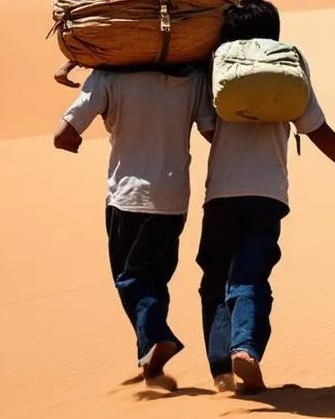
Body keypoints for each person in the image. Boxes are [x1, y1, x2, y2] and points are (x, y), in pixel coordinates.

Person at [199, 0, 335, 394]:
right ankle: (246, 347)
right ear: (275, 32)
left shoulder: (217, 69)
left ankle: (222, 372)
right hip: (269, 195)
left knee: (214, 280)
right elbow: (319, 131)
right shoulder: (286, 68)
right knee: (251, 276)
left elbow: (207, 128)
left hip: (221, 194)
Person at [53, 60, 216, 383]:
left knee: (130, 279)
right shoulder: (193, 78)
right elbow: (211, 130)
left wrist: (78, 140)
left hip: (126, 198)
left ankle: (156, 339)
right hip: (173, 198)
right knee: (153, 278)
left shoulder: (107, 77)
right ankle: (150, 356)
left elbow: (63, 135)